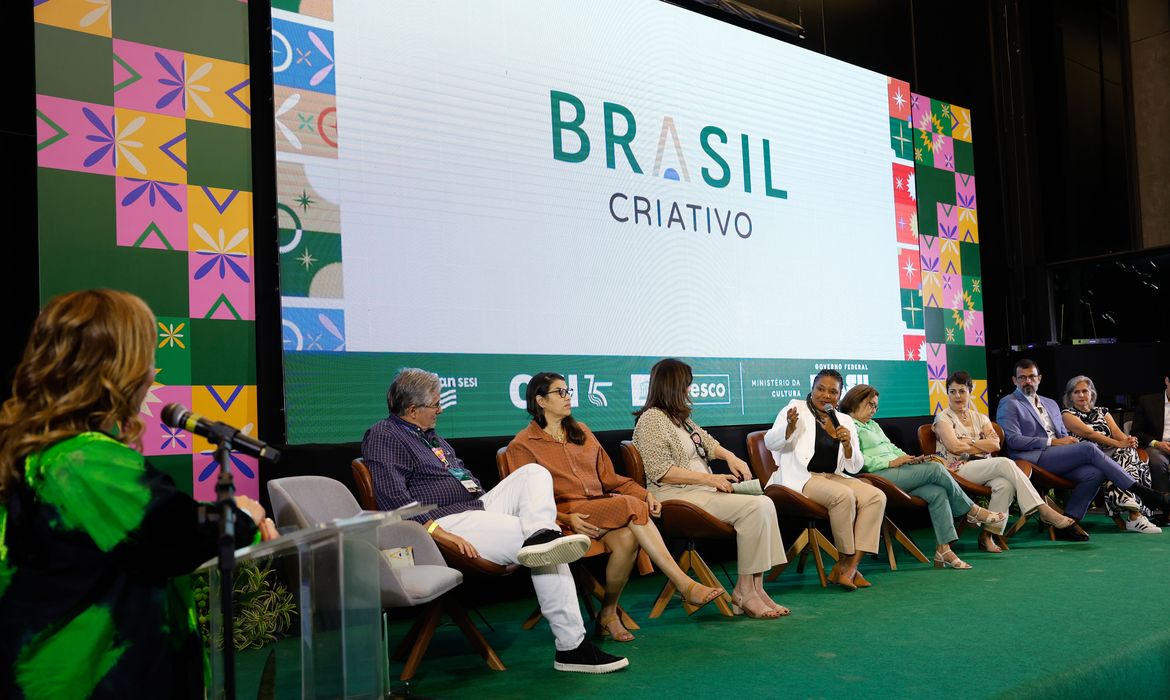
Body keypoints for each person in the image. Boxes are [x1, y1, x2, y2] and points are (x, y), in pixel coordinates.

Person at [0, 289, 275, 700]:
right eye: (146, 355)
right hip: (85, 679)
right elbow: (172, 535)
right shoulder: (81, 460)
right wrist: (242, 517)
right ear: (116, 369)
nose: (153, 372)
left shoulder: (52, 452)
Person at [362, 368, 627, 674]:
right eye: (435, 405)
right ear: (412, 410)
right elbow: (394, 501)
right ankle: (572, 648)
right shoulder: (384, 435)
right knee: (546, 548)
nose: (440, 409)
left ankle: (542, 533)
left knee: (535, 474)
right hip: (447, 521)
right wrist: (438, 532)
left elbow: (465, 478)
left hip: (476, 506)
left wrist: (496, 505)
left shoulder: (429, 436)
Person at [505, 372, 724, 642]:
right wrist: (566, 517)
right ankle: (683, 583)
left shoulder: (581, 432)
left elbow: (609, 479)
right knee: (629, 505)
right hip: (562, 518)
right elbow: (524, 502)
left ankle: (608, 613)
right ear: (540, 400)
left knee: (628, 536)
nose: (568, 397)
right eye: (559, 392)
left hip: (601, 509)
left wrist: (645, 494)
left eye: (568, 391)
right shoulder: (522, 445)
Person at [631, 359, 788, 618]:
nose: (690, 391)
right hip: (675, 496)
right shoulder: (651, 420)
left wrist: (730, 457)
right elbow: (663, 472)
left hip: (698, 492)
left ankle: (756, 589)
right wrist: (710, 480)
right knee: (755, 507)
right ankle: (744, 592)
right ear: (674, 386)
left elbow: (708, 442)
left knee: (765, 501)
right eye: (687, 385)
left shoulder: (680, 419)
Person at [995, 359, 1170, 538]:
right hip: (1031, 459)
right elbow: (1013, 440)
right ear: (1014, 381)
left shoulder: (1050, 403)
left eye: (1031, 376)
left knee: (1095, 473)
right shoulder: (1009, 403)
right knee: (1088, 447)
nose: (1027, 381)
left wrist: (1067, 443)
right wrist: (1052, 442)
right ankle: (1145, 494)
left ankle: (1067, 524)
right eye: (1022, 378)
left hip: (1057, 457)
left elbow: (1062, 434)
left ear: (1039, 378)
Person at [841, 384, 1005, 569]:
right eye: (870, 405)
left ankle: (944, 550)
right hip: (876, 476)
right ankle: (972, 511)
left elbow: (891, 448)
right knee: (935, 469)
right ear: (856, 401)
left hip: (897, 472)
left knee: (937, 491)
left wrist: (907, 458)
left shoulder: (873, 425)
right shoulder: (846, 424)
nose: (874, 410)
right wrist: (890, 463)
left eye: (876, 406)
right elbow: (855, 459)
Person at [764, 369, 886, 590]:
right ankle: (845, 562)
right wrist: (788, 429)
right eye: (820, 389)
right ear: (812, 389)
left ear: (839, 396)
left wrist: (848, 445)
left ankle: (848, 568)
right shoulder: (796, 408)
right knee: (843, 496)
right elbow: (770, 442)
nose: (826, 395)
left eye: (833, 391)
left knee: (876, 496)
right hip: (802, 477)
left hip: (833, 476)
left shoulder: (845, 421)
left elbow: (855, 466)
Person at [934, 370, 1080, 548]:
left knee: (1005, 485)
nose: (957, 396)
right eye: (953, 391)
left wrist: (969, 441)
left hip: (984, 466)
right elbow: (954, 447)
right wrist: (980, 442)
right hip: (957, 469)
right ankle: (1042, 509)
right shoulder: (943, 418)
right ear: (947, 393)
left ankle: (988, 536)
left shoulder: (979, 417)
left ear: (970, 391)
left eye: (962, 391)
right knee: (1005, 462)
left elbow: (995, 444)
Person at [1060, 375, 1161, 533]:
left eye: (1084, 391)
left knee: (1129, 452)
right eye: (1076, 392)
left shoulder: (1103, 411)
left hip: (1111, 454)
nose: (1081, 395)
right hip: (1087, 458)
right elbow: (1090, 435)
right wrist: (1120, 444)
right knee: (1124, 454)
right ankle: (1135, 514)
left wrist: (1129, 441)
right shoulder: (1067, 414)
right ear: (1070, 396)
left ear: (1091, 393)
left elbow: (1118, 434)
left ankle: (1129, 505)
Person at [1129, 372, 1170, 506]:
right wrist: (1156, 443)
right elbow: (1136, 432)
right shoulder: (1147, 401)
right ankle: (1164, 506)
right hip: (1157, 446)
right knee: (1158, 463)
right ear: (1167, 381)